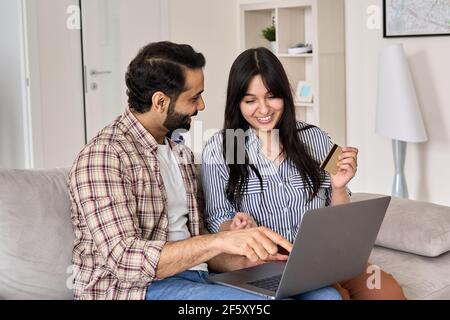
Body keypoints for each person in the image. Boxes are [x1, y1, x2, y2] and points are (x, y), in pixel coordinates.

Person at [68, 41, 341, 300]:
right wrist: (220, 240)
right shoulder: (104, 157)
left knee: (327, 295)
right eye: (194, 97)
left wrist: (247, 255)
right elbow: (125, 260)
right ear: (161, 101)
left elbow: (202, 243)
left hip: (200, 277)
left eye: (272, 96)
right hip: (137, 288)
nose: (202, 106)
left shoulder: (180, 152)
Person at [201, 47, 406, 300]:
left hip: (327, 257)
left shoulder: (315, 138)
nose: (263, 109)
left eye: (271, 96)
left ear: (284, 95)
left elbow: (342, 217)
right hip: (267, 265)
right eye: (250, 100)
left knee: (388, 292)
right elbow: (218, 218)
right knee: (334, 295)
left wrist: (339, 187)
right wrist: (235, 227)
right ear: (237, 103)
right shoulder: (226, 146)